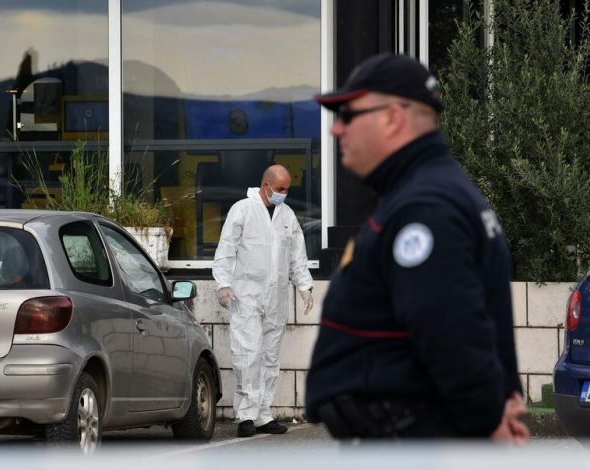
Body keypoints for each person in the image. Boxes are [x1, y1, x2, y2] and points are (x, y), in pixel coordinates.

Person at [304, 53, 529, 442]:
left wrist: (487, 423)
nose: (336, 129)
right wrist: (501, 400)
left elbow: (450, 328)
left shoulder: (424, 206)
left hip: (416, 441)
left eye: (348, 114)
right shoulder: (431, 191)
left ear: (392, 118)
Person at [213, 164, 314, 438]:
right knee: (248, 354)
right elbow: (226, 249)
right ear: (266, 185)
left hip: (276, 297)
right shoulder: (243, 210)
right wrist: (223, 284)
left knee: (270, 355)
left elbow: (297, 255)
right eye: (280, 188)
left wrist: (304, 285)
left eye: (287, 189)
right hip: (246, 295)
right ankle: (246, 415)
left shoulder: (287, 215)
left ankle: (263, 414)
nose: (284, 193)